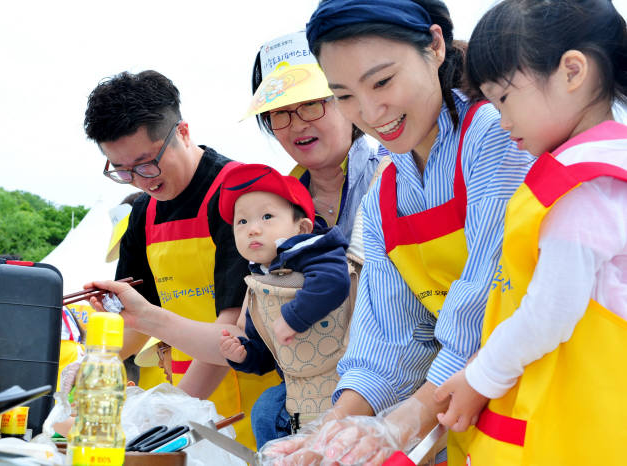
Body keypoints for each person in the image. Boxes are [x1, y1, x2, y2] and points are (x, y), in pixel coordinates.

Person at [263, 1, 535, 464]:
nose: (370, 112)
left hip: (539, 393)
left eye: (383, 81)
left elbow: (488, 299)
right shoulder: (385, 192)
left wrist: (403, 420)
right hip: (469, 418)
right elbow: (388, 333)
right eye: (345, 95)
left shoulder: (496, 136)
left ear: (434, 46)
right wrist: (334, 428)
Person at [432, 1, 627, 464]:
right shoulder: (607, 166)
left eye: (503, 97)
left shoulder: (583, 187)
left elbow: (550, 311)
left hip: (572, 425)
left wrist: (480, 378)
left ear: (572, 72)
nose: (502, 121)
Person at [82, 70, 279, 448]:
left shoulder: (242, 194)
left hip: (250, 404)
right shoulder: (143, 212)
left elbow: (232, 334)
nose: (140, 180)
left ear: (183, 132)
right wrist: (95, 361)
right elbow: (132, 323)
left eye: (146, 162)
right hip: (187, 403)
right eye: (121, 170)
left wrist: (172, 415)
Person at [217, 163, 351, 447]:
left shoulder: (316, 251)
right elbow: (268, 352)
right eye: (241, 222)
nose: (253, 229)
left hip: (346, 372)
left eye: (267, 217)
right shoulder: (259, 283)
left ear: (301, 227)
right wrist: (244, 354)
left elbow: (333, 282)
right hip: (298, 382)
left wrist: (292, 317)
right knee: (265, 410)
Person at [247, 30, 384, 245]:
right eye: (280, 112)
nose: (298, 125)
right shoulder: (274, 207)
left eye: (311, 104)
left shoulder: (394, 178)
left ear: (348, 99)